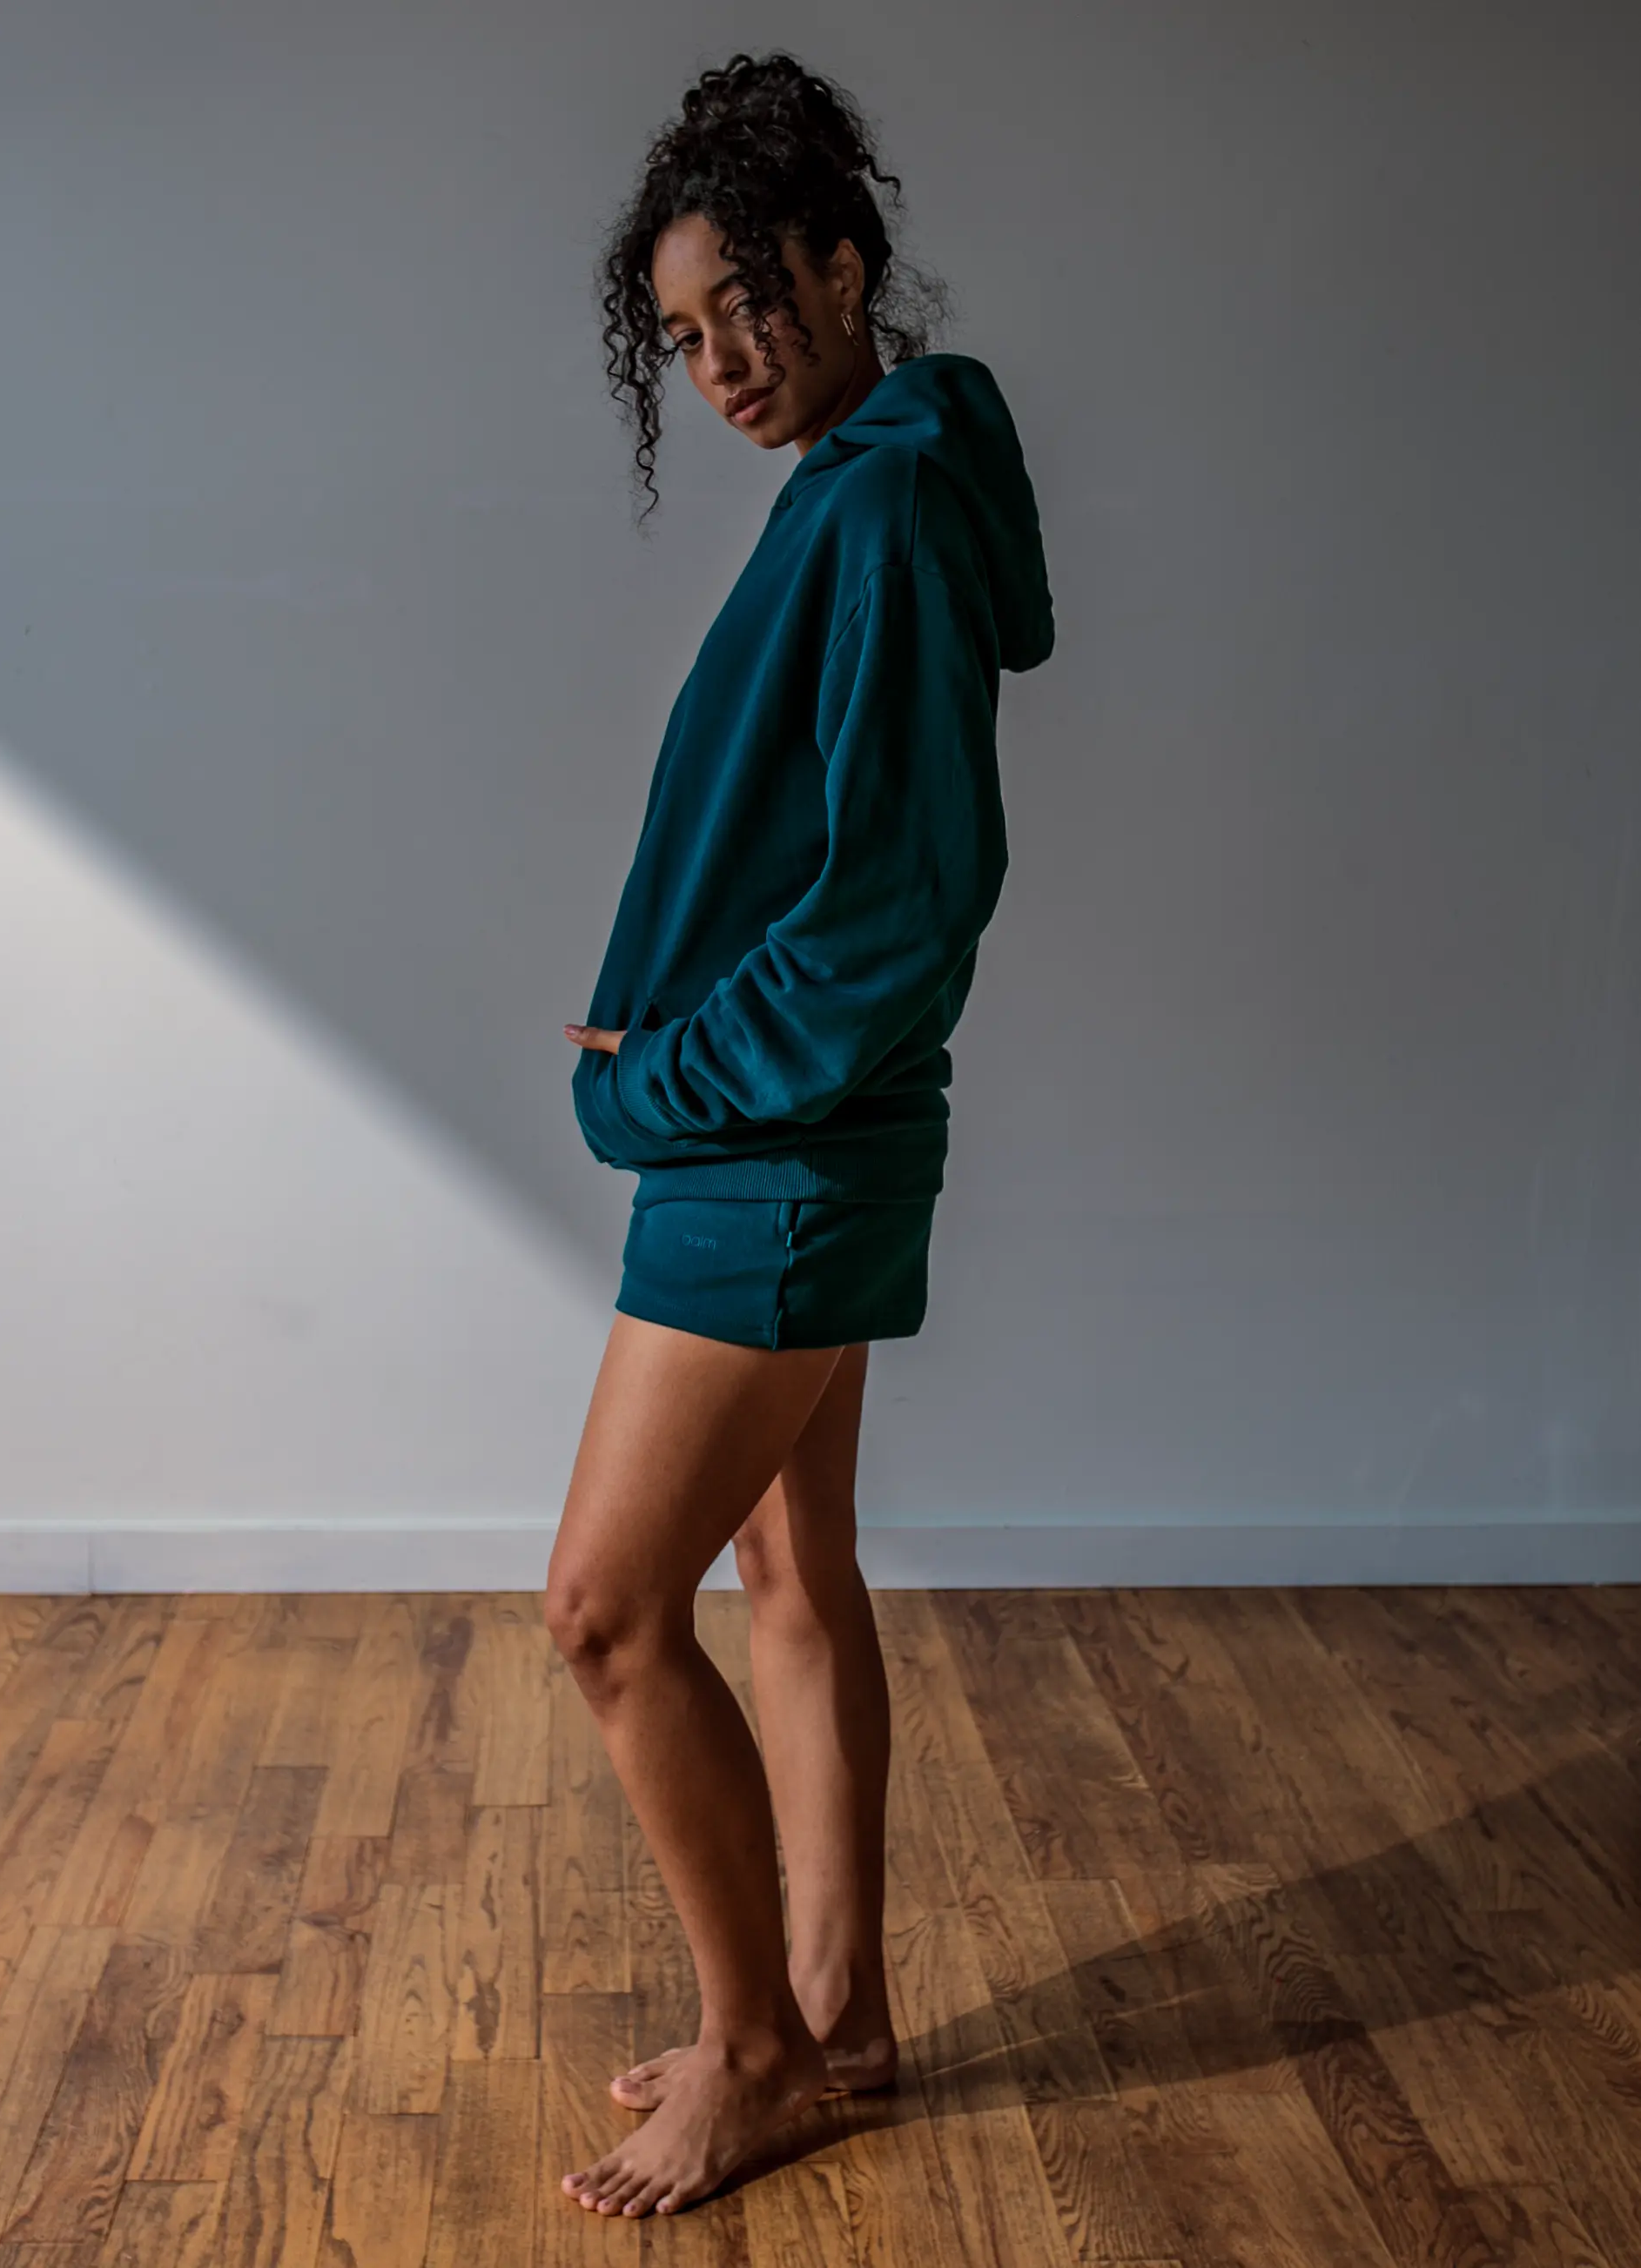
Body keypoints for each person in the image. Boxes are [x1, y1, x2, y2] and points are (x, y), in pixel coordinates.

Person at [547, 48, 1055, 2219]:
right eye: (680, 335)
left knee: (598, 1612)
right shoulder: (873, 478)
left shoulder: (881, 500)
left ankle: (753, 2051)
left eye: (748, 303)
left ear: (845, 267)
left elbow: (893, 905)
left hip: (776, 1147)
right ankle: (831, 2014)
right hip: (792, 1129)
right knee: (788, 1569)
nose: (721, 360)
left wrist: (638, 1078)